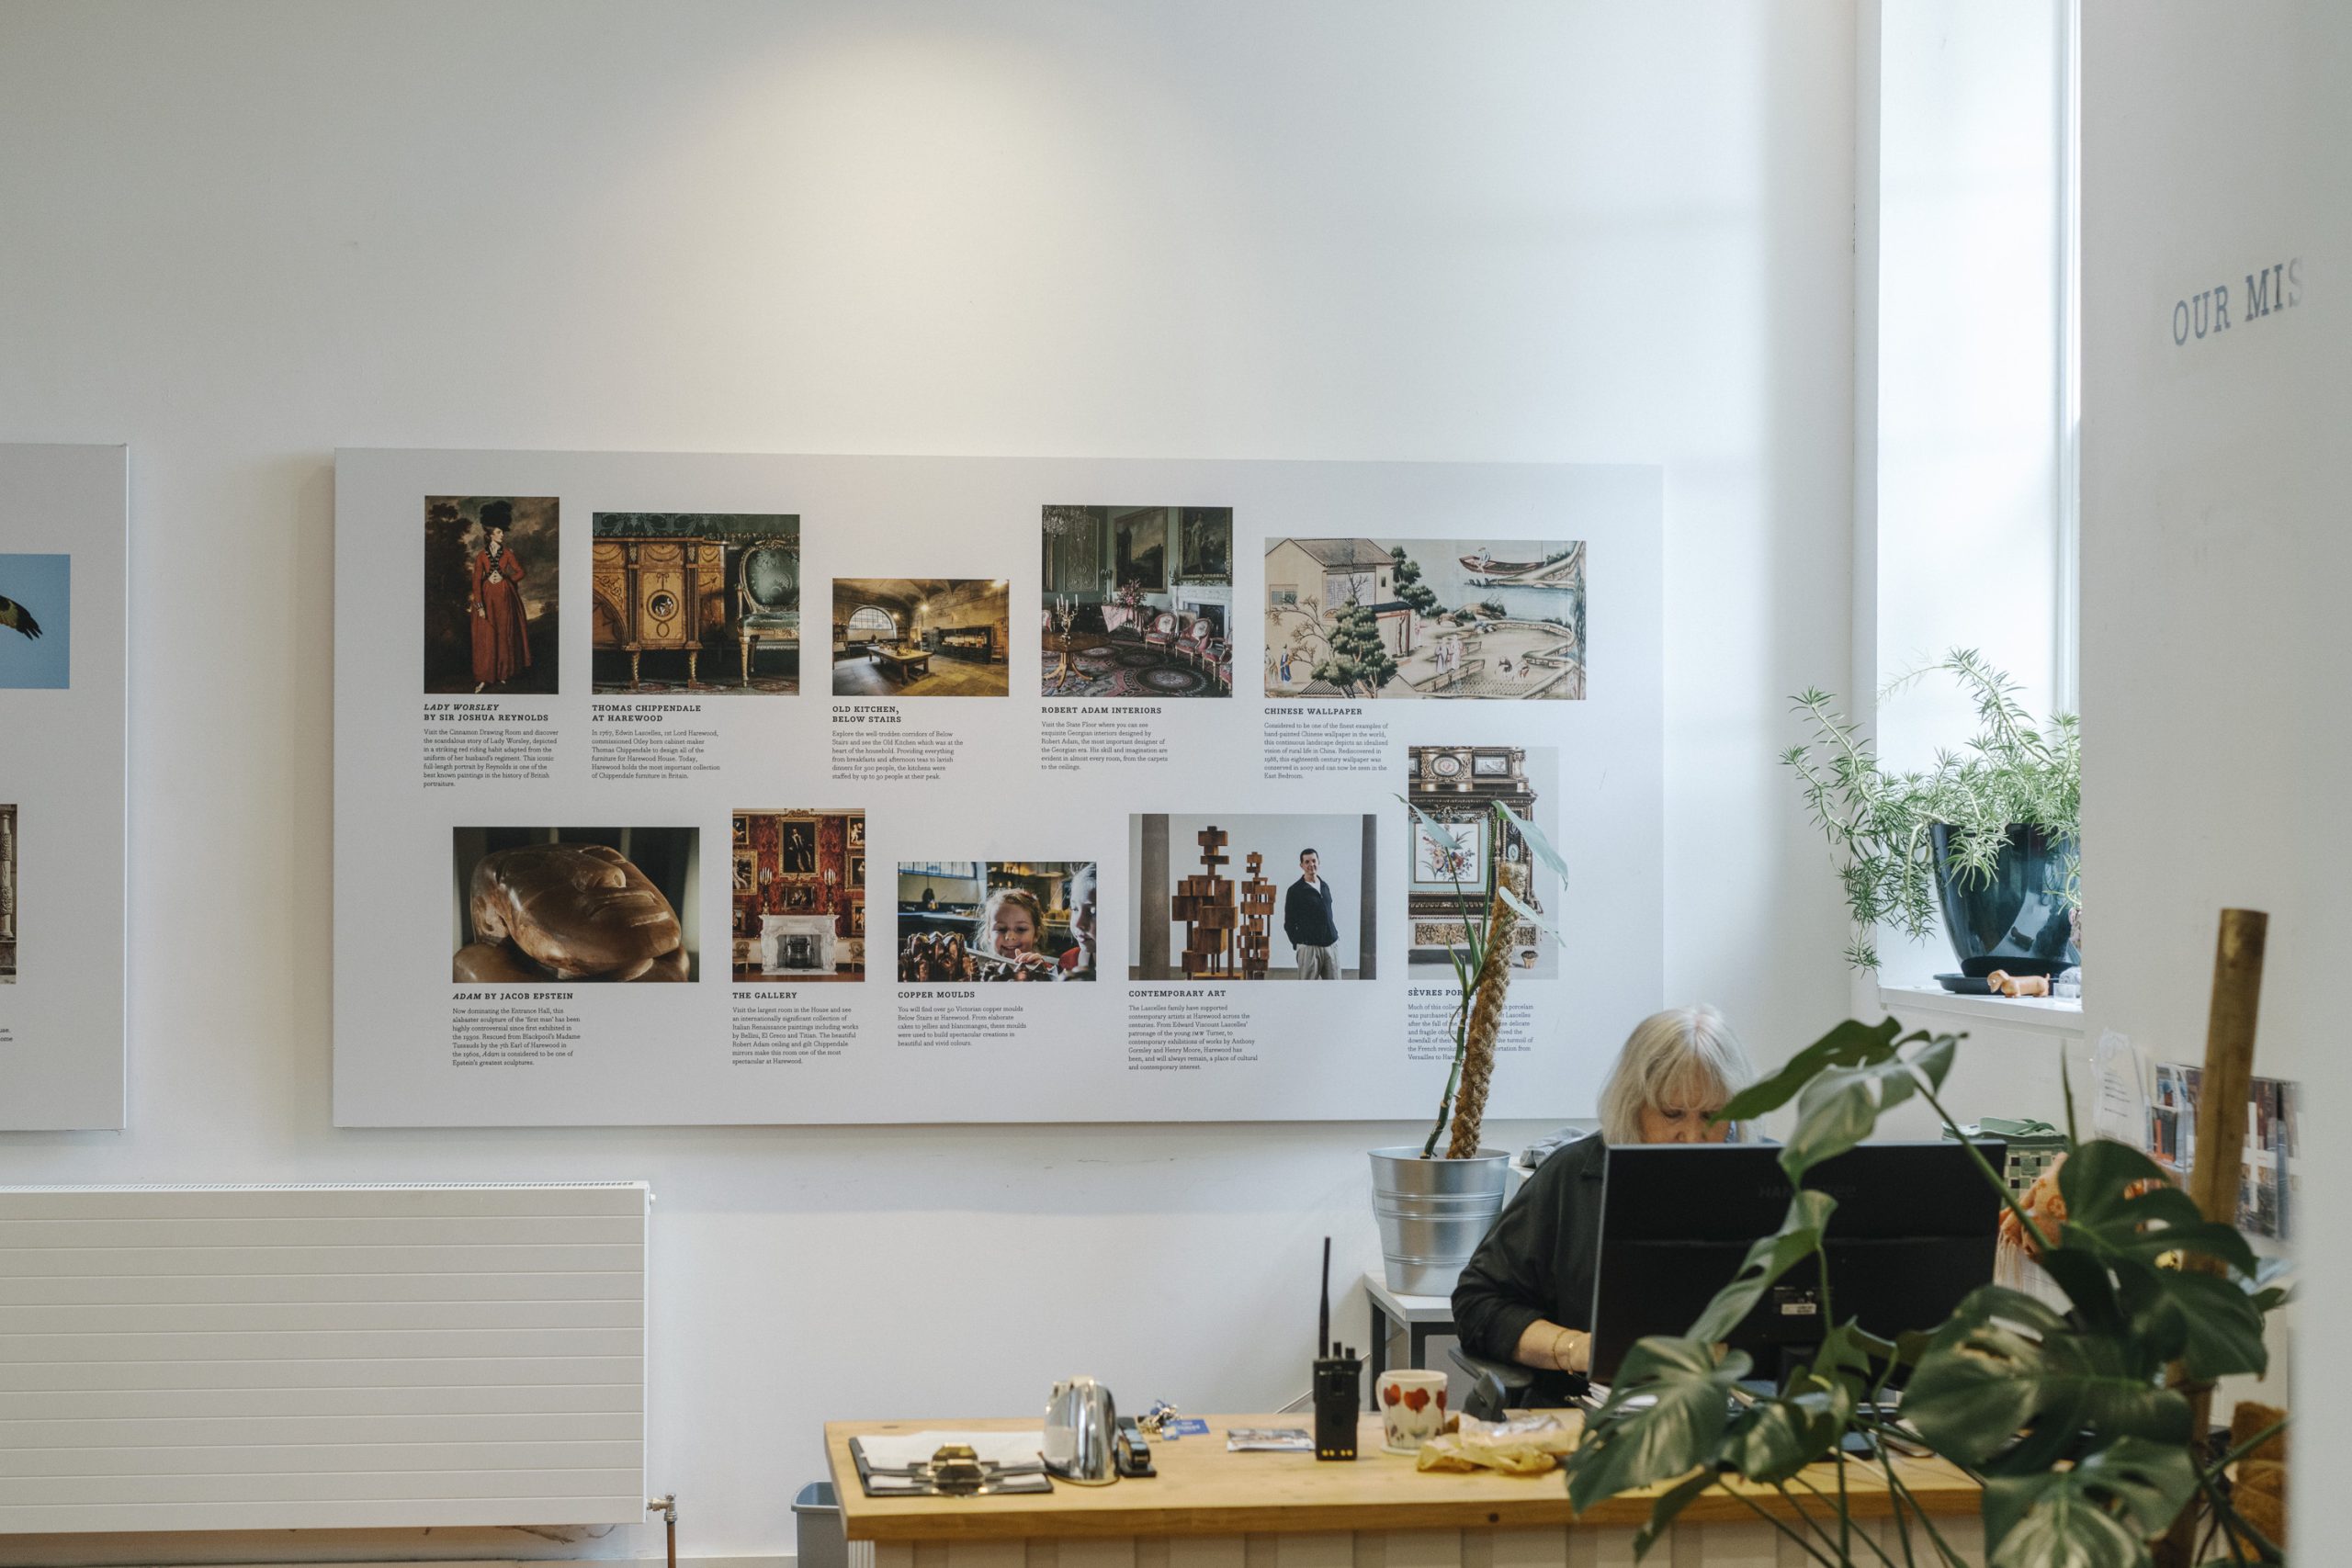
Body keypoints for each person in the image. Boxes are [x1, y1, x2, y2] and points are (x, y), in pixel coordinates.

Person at [1451, 1005, 1757, 1404]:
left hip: (1737, 1416)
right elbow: (1478, 1304)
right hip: (1582, 1412)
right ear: (1634, 1104)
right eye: (1672, 1113)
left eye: (1714, 1115)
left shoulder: (1765, 1181)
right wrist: (1578, 1349)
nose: (1693, 1134)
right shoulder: (1573, 1176)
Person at [468, 502, 533, 693]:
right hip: (487, 598)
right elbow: (476, 583)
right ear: (490, 535)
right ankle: (485, 677)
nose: (503, 534)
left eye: (502, 532)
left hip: (505, 597)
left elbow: (520, 572)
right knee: (487, 637)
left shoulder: (507, 553)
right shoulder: (481, 556)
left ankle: (503, 673)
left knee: (504, 635)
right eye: (499, 532)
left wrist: (506, 576)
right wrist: (480, 606)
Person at [1283, 847, 1340, 979]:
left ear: (1319, 862)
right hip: (1309, 948)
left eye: (1313, 861)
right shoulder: (1295, 890)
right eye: (1307, 862)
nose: (1311, 865)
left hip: (1331, 945)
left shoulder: (1325, 886)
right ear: (1301, 865)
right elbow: (1289, 922)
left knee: (1336, 990)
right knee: (1306, 991)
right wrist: (1299, 943)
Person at [978, 886, 1060, 977]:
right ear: (988, 934)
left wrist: (1040, 974)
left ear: (1036, 934)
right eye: (1001, 929)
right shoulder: (981, 969)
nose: (1009, 936)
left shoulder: (1047, 971)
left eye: (1021, 929)